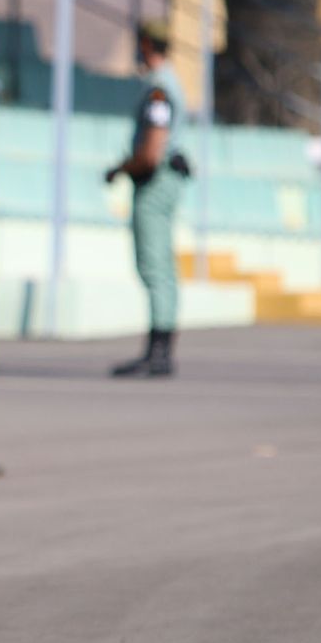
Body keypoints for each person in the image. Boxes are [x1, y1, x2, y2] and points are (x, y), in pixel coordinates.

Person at [106, 19, 188, 378]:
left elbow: (152, 149)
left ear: (146, 45)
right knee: (162, 269)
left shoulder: (159, 90)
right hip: (167, 180)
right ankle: (159, 349)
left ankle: (159, 353)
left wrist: (121, 169)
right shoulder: (167, 84)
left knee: (154, 267)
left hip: (155, 183)